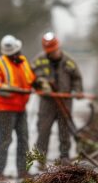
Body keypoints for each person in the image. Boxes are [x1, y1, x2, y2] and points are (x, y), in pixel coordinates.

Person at [0, 35, 36, 179]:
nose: (17, 53)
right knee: (5, 139)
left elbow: (31, 78)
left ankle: (23, 171)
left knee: (24, 138)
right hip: (5, 109)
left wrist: (39, 84)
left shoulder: (23, 62)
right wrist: (7, 89)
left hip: (21, 107)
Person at [32, 32, 83, 163]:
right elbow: (31, 78)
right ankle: (41, 159)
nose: (52, 53)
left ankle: (64, 157)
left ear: (58, 47)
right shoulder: (38, 61)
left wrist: (78, 91)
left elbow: (77, 78)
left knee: (64, 130)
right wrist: (38, 85)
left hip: (64, 101)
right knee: (43, 130)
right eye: (49, 51)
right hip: (47, 102)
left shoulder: (69, 62)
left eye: (54, 50)